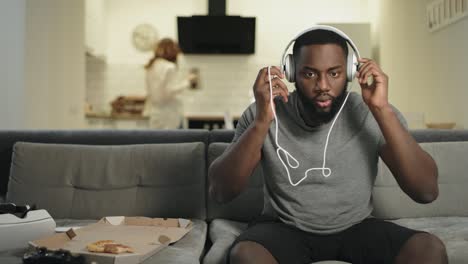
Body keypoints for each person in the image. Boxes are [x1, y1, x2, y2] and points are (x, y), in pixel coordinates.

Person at [208, 27, 448, 264]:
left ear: (351, 73)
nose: (323, 85)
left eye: (334, 73)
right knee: (246, 255)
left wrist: (381, 109)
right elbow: (221, 192)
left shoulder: (370, 112)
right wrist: (262, 122)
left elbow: (426, 191)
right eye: (309, 74)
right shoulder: (263, 112)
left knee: (428, 249)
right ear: (290, 73)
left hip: (357, 227)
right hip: (283, 229)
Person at [144, 38, 197, 129]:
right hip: (170, 115)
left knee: (157, 141)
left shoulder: (151, 66)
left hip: (155, 113)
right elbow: (170, 91)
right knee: (173, 142)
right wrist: (188, 82)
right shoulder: (169, 67)